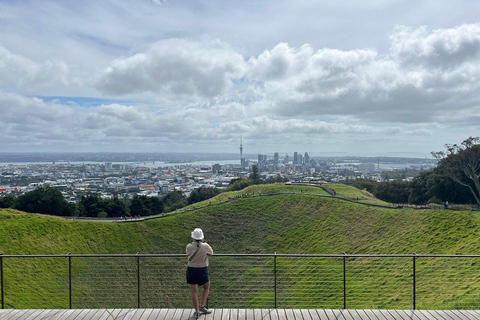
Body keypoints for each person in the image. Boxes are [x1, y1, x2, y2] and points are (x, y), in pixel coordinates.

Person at [186, 228, 213, 319]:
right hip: (202, 270)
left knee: (194, 291)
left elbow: (188, 254)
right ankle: (202, 306)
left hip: (191, 270)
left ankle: (197, 311)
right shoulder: (205, 246)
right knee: (206, 287)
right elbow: (211, 253)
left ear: (193, 237)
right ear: (202, 237)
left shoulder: (189, 246)